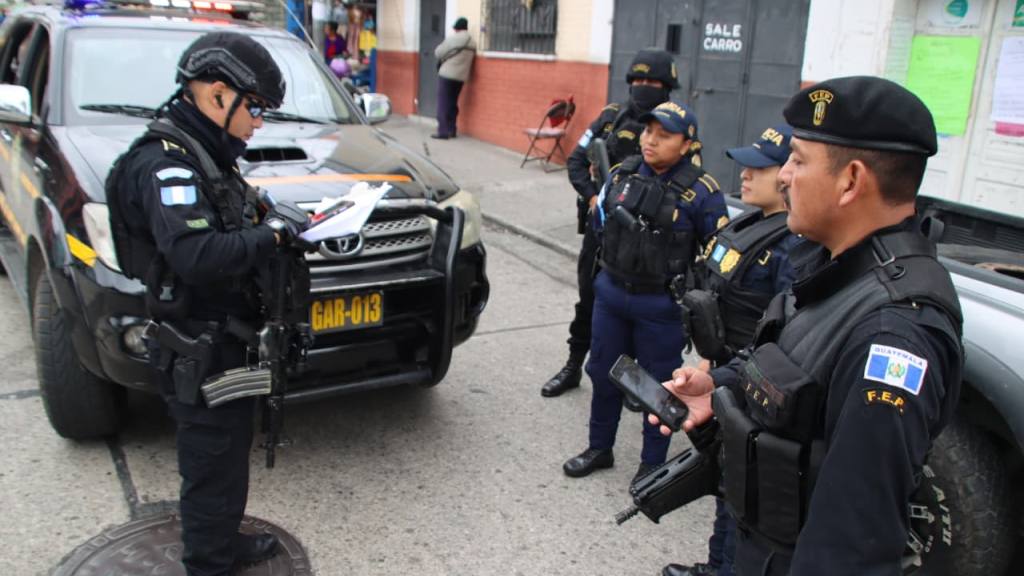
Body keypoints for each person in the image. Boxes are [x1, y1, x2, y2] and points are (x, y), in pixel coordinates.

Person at [653, 76, 963, 575]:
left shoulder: (893, 335)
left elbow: (850, 545)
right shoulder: (835, 266)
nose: (783, 176)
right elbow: (793, 359)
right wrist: (720, 384)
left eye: (798, 161)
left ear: (851, 181)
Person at [106, 32, 310, 575]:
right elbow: (196, 255)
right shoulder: (166, 166)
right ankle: (208, 563)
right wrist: (274, 233)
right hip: (197, 347)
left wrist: (272, 217)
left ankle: (224, 541)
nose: (259, 123)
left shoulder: (207, 155)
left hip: (225, 340)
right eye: (256, 108)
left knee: (229, 453)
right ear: (219, 95)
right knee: (209, 463)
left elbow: (228, 218)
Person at [563, 101, 728, 481]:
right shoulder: (621, 172)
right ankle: (599, 447)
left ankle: (652, 464)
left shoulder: (702, 191)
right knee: (603, 373)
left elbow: (717, 259)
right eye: (648, 131)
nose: (650, 140)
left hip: (661, 307)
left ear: (686, 145)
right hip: (611, 295)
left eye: (663, 135)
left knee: (658, 388)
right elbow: (600, 227)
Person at [662, 125, 799, 576]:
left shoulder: (793, 248)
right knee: (723, 481)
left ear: (788, 175)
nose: (745, 174)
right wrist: (708, 362)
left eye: (760, 168)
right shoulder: (749, 222)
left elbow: (783, 332)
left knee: (738, 491)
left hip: (754, 383)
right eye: (745, 166)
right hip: (725, 370)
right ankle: (714, 565)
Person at [542, 48, 682, 398]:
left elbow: (684, 183)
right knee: (588, 300)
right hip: (602, 231)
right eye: (638, 80)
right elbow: (577, 161)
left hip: (646, 239)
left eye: (652, 81)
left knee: (637, 310)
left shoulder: (676, 127)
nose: (643, 86)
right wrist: (594, 199)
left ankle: (631, 383)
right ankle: (573, 365)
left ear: (667, 86)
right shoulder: (610, 118)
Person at [431, 17, 475, 140]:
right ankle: (452, 129)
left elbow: (438, 52)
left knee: (443, 103)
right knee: (452, 103)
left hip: (447, 75)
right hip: (461, 77)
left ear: (457, 28)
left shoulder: (453, 38)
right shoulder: (472, 42)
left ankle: (443, 132)